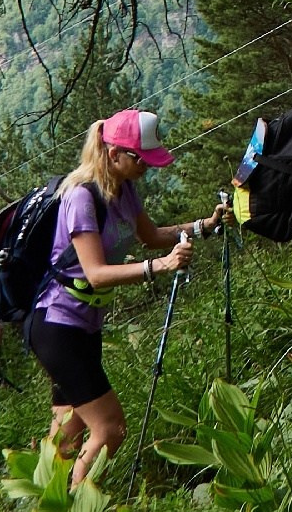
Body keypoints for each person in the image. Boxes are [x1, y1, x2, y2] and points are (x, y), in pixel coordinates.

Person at [27, 110, 221, 486]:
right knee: (111, 428)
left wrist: (203, 226)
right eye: (141, 159)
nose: (147, 167)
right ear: (114, 154)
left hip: (84, 325)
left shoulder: (124, 189)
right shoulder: (81, 197)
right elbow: (96, 273)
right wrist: (159, 267)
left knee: (69, 428)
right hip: (57, 325)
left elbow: (150, 235)